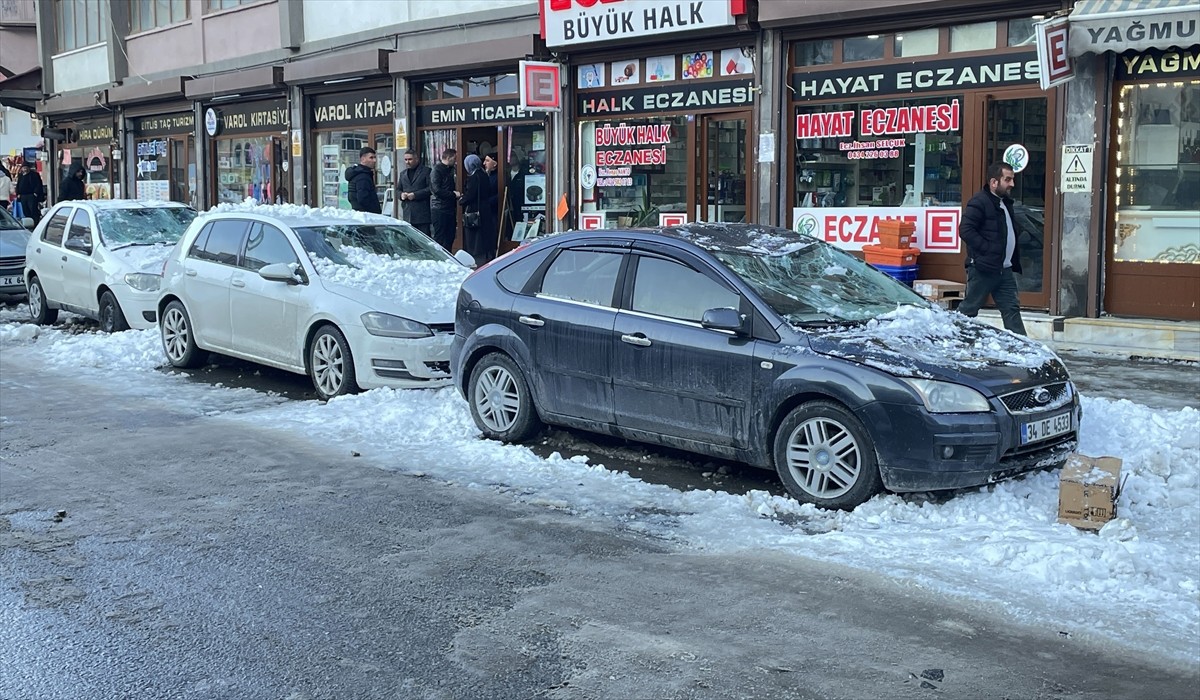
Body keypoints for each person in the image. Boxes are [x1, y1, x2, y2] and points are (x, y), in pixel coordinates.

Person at [957, 162, 1027, 336]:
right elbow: (965, 230)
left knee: (1011, 310)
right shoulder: (979, 201)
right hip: (983, 268)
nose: (1012, 184)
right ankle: (956, 341)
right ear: (994, 182)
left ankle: (1025, 349)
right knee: (969, 310)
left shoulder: (1005, 203)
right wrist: (987, 250)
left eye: (1012, 179)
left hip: (1004, 269)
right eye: (1008, 179)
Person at [397, 149, 432, 236]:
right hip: (407, 213)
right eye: (405, 159)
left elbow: (431, 189)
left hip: (422, 214)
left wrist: (415, 195)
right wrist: (401, 195)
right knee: (409, 241)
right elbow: (398, 189)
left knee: (423, 241)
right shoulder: (403, 174)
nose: (407, 162)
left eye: (410, 159)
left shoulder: (426, 171)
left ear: (416, 159)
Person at [459, 154, 488, 261]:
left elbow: (471, 194)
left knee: (473, 237)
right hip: (484, 209)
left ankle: (475, 257)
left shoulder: (474, 177)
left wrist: (462, 200)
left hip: (474, 210)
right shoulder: (484, 174)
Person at [430, 148, 460, 251]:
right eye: (454, 158)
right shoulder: (437, 170)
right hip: (439, 208)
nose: (456, 161)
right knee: (440, 237)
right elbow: (436, 190)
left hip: (449, 208)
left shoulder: (451, 169)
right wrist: (452, 194)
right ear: (448, 157)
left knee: (450, 236)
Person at [344, 146, 381, 214]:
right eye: (371, 158)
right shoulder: (362, 176)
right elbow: (363, 198)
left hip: (360, 213)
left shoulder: (359, 173)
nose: (374, 161)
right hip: (366, 215)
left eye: (375, 157)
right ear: (363, 159)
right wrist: (374, 211)